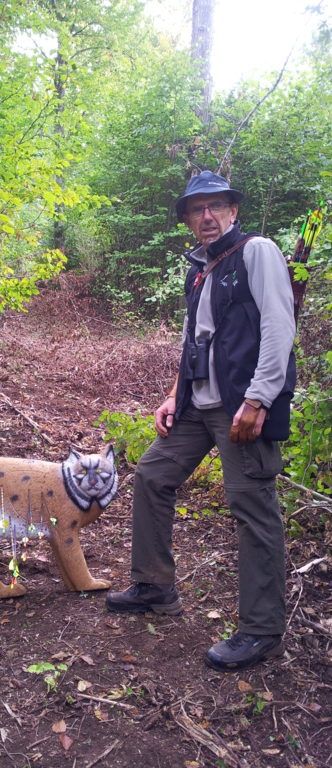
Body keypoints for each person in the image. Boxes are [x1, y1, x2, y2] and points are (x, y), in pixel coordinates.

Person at [106, 170, 296, 672]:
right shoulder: (202, 269)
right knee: (152, 474)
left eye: (215, 206)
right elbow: (194, 341)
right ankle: (155, 585)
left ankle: (262, 629)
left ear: (233, 211)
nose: (206, 216)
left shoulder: (258, 252)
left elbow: (280, 327)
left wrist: (259, 399)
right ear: (189, 219)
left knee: (252, 507)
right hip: (199, 406)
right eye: (197, 209)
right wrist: (175, 396)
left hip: (241, 408)